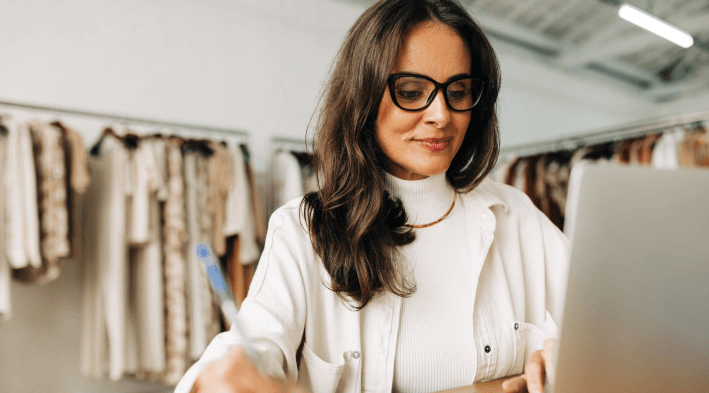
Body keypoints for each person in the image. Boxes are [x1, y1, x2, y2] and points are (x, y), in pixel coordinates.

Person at [175, 0, 569, 392]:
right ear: (362, 96)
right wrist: (224, 375)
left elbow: (608, 324)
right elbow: (251, 346)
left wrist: (562, 356)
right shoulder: (304, 230)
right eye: (412, 92)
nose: (442, 115)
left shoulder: (516, 215)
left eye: (459, 91)